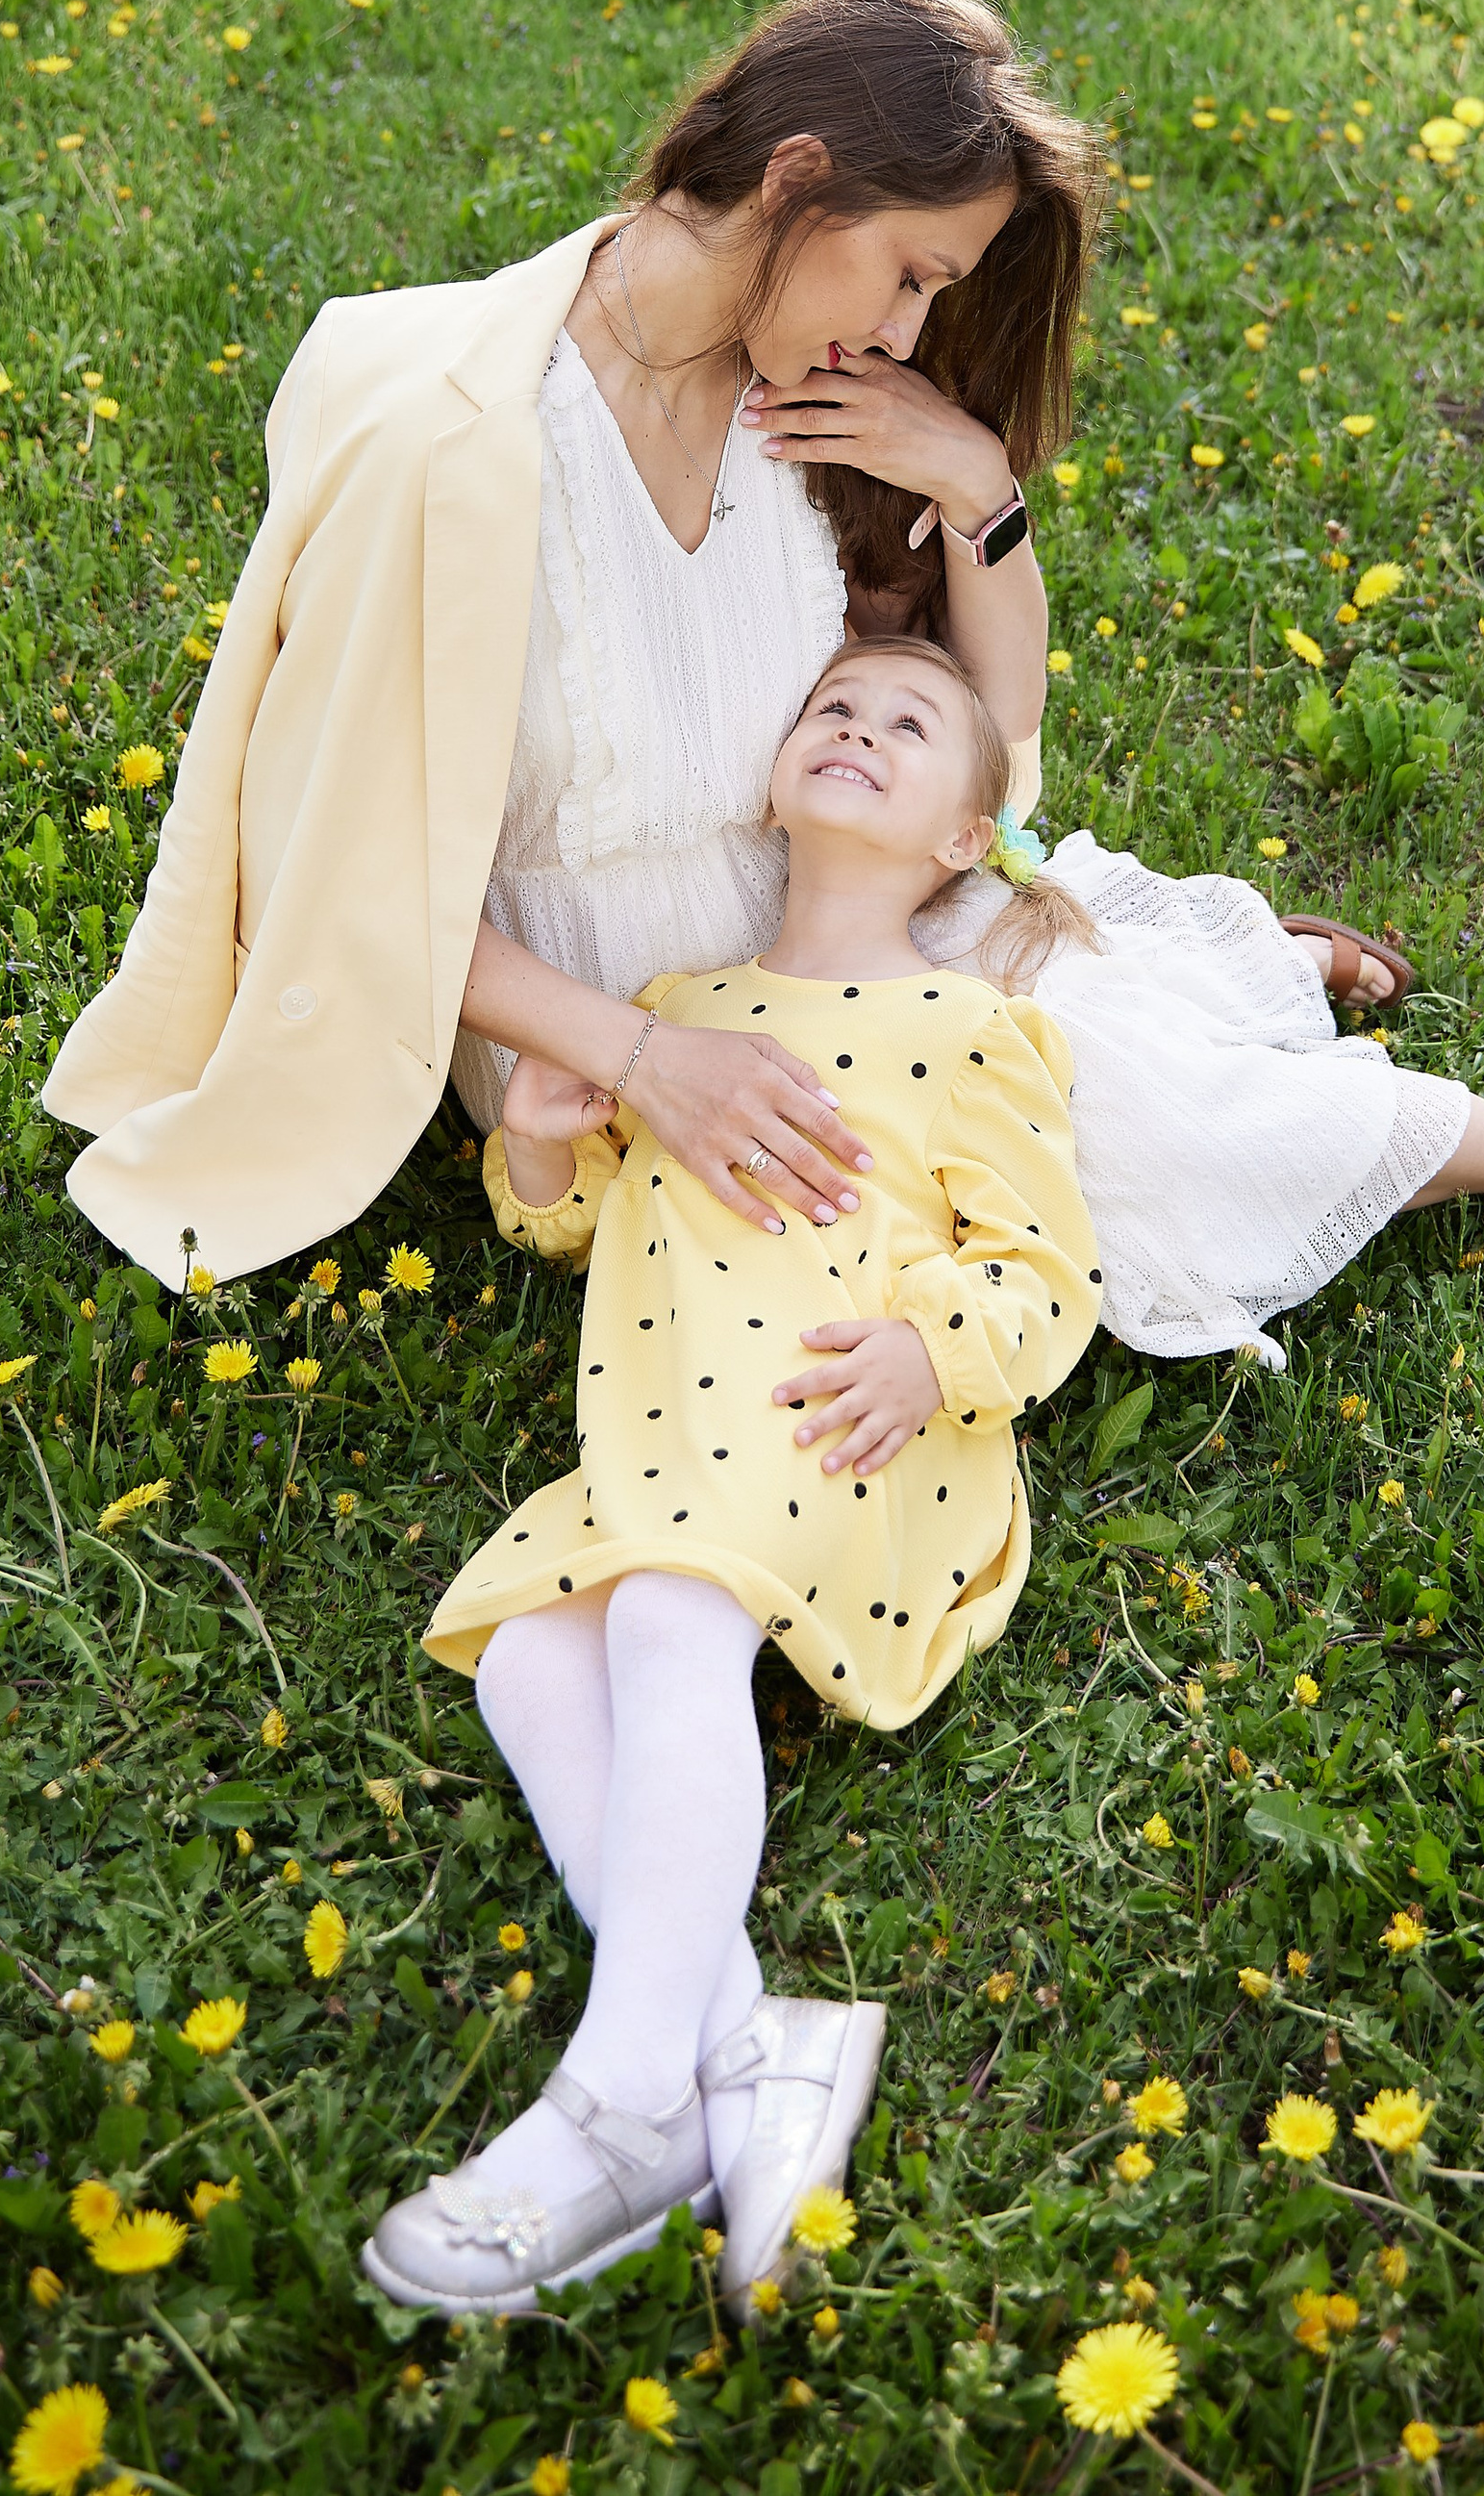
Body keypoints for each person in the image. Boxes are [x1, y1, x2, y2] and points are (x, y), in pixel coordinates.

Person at [45, 0, 1484, 1365]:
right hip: (600, 1019)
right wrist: (646, 1064)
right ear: (799, 180)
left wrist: (978, 488)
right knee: (1088, 1142)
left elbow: (990, 738)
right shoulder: (452, 436)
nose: (903, 337)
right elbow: (342, 885)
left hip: (852, 896)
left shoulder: (801, 398)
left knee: (1097, 1053)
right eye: (906, 277)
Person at [362, 635, 1100, 2318]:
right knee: (537, 1653)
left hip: (857, 1429)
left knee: (674, 1612)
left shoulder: (975, 1031)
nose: (854, 724)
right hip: (668, 1449)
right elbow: (564, 1222)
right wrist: (545, 1124)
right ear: (774, 775)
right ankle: (753, 2045)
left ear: (966, 835)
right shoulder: (676, 1015)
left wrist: (934, 1356)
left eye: (908, 722)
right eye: (833, 706)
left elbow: (1049, 1278)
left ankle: (620, 2104)